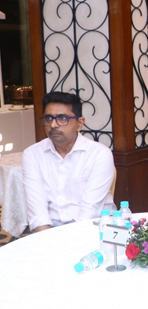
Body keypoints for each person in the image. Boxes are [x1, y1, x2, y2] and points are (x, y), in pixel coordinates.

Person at [22, 92, 115, 233]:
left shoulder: (99, 154)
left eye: (62, 118)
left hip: (94, 230)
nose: (53, 125)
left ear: (79, 123)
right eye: (48, 118)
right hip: (49, 233)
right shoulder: (32, 154)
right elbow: (38, 214)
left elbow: (89, 213)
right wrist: (47, 242)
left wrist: (66, 243)